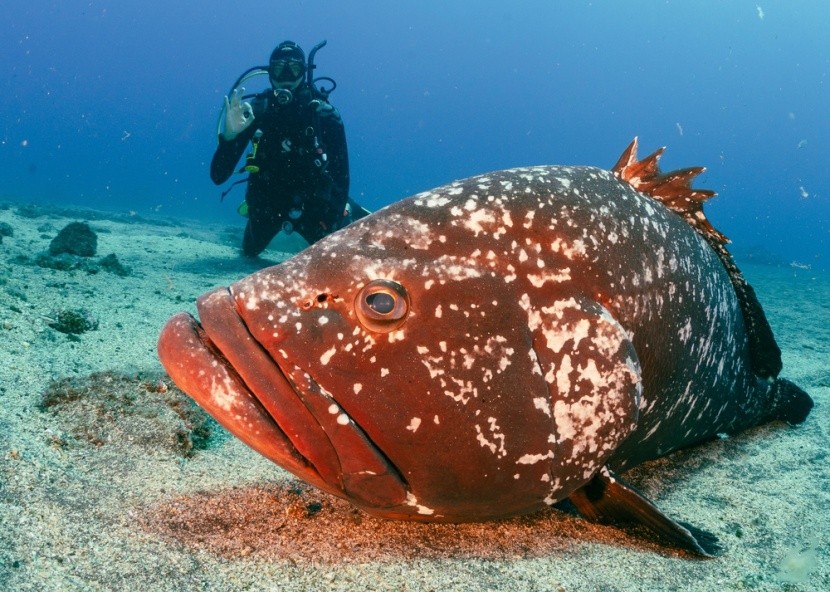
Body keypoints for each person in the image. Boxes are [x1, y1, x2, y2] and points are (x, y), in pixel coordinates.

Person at [210, 41, 351, 256]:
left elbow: (342, 178)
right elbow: (218, 176)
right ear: (269, 73)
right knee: (249, 251)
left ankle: (349, 211)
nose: (286, 75)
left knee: (331, 256)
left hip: (313, 207)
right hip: (267, 207)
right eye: (278, 69)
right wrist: (230, 137)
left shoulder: (324, 115)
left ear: (304, 72)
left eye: (293, 68)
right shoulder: (256, 111)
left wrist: (334, 219)